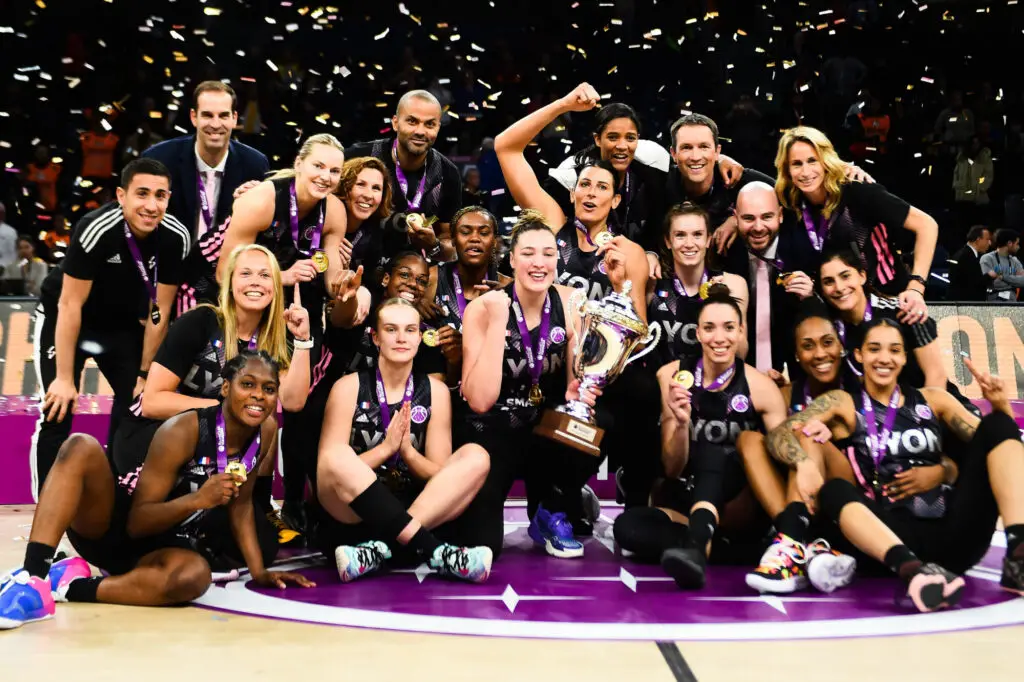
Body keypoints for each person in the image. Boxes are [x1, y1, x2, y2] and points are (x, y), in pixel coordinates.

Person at [0, 351, 312, 630]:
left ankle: (70, 586)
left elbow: (241, 505)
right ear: (226, 388)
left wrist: (259, 572)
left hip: (164, 544)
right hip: (115, 526)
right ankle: (33, 577)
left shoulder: (266, 430)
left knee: (194, 577)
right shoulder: (184, 429)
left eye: (268, 389)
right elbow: (137, 523)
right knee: (80, 446)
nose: (258, 396)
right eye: (248, 385)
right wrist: (198, 500)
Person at [764, 320, 1024, 610]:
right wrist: (803, 463)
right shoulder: (842, 402)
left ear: (904, 357)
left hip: (953, 534)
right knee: (834, 490)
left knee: (998, 423)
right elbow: (781, 434)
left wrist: (1000, 407)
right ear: (859, 355)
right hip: (888, 538)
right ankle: (914, 574)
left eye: (894, 350)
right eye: (875, 349)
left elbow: (1000, 446)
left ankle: (1018, 552)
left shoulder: (934, 400)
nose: (885, 358)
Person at [196, 133, 347, 533]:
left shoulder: (334, 211)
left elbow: (331, 275)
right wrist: (280, 276)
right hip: (238, 302)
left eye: (334, 170)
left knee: (298, 408)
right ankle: (224, 499)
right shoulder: (263, 199)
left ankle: (290, 503)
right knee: (241, 400)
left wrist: (346, 286)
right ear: (299, 164)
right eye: (318, 166)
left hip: (290, 309)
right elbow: (224, 270)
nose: (326, 176)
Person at [32, 158, 192, 499]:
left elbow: (160, 310)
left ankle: (117, 500)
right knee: (58, 408)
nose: (151, 205)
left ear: (169, 198)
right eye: (142, 194)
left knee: (137, 404)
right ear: (121, 196)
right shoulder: (97, 229)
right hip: (67, 316)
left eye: (160, 195)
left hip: (119, 324)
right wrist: (64, 378)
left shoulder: (176, 236)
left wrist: (144, 374)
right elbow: (69, 304)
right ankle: (49, 510)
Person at [613, 285, 788, 588]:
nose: (719, 338)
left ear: (741, 332)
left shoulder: (761, 388)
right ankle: (728, 549)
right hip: (690, 496)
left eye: (729, 328)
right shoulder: (671, 376)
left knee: (713, 451)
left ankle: (698, 547)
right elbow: (672, 468)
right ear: (697, 333)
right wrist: (681, 424)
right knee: (627, 528)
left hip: (738, 503)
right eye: (709, 328)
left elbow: (782, 464)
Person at [112, 245, 310, 512]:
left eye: (265, 275)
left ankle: (259, 505)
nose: (255, 281)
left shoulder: (275, 338)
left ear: (275, 286)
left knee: (266, 422)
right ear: (229, 284)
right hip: (156, 437)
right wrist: (225, 411)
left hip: (212, 445)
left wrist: (302, 340)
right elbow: (152, 402)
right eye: (246, 274)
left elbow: (293, 402)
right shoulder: (200, 321)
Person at [315, 298, 493, 583]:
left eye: (410, 330)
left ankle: (377, 549)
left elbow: (438, 474)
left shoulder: (436, 391)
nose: (401, 338)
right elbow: (328, 471)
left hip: (417, 508)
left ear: (420, 338)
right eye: (391, 329)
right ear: (375, 337)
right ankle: (438, 552)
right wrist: (386, 449)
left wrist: (408, 452)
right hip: (356, 510)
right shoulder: (347, 387)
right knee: (336, 455)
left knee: (476, 455)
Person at [459, 217, 604, 558]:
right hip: (494, 431)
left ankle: (553, 506)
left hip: (543, 434)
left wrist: (579, 389)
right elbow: (479, 400)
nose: (539, 263)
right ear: (511, 259)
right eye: (528, 253)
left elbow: (575, 383)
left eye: (548, 254)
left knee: (601, 421)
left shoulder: (571, 302)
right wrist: (498, 322)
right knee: (484, 543)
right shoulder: (484, 308)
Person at [495, 83, 650, 316]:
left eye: (602, 187)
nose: (591, 192)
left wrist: (620, 289)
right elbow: (506, 147)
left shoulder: (630, 253)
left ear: (615, 200)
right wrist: (563, 104)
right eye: (585, 184)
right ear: (571, 193)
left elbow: (639, 332)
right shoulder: (553, 224)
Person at [741, 300, 857, 594]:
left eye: (827, 342)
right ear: (796, 354)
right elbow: (771, 443)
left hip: (847, 495)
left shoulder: (852, 390)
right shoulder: (785, 393)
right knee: (748, 440)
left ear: (841, 346)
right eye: (808, 346)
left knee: (807, 434)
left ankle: (791, 544)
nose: (819, 354)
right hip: (802, 496)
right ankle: (798, 544)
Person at [775, 126, 938, 317]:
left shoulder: (857, 189)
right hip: (833, 310)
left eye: (813, 161)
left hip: (888, 303)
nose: (805, 172)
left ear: (826, 160)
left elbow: (927, 225)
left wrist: (917, 287)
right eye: (796, 164)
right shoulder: (792, 205)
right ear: (787, 170)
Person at [344, 90, 463, 264]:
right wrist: (333, 238)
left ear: (438, 127)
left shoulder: (447, 174)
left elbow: (451, 247)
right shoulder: (357, 157)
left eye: (430, 124)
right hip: (353, 265)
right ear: (395, 123)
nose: (420, 131)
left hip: (411, 272)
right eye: (412, 121)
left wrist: (434, 245)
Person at [143, 81, 270, 241]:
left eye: (223, 115)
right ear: (193, 117)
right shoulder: (159, 160)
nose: (215, 124)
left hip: (228, 255)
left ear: (234, 118)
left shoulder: (255, 165)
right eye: (207, 115)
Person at [544, 102, 671, 249]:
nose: (622, 146)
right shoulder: (570, 176)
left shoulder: (652, 168)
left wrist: (651, 253)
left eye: (630, 138)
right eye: (613, 137)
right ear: (598, 139)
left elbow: (656, 224)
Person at [819, 248, 946, 390]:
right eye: (828, 282)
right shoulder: (830, 329)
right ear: (822, 290)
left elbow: (936, 377)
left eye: (845, 276)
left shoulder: (905, 311)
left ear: (862, 276)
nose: (839, 287)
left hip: (931, 400)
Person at [730, 182, 819, 380]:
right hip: (740, 375)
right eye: (748, 218)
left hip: (797, 374)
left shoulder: (806, 250)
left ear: (780, 215)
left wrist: (811, 298)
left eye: (767, 217)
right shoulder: (725, 254)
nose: (758, 227)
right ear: (735, 218)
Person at [649, 202, 748, 365]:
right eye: (680, 235)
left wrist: (723, 304)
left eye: (697, 235)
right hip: (663, 378)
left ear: (708, 240)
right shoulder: (653, 284)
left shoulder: (733, 284)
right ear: (668, 241)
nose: (689, 243)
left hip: (713, 379)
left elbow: (740, 355)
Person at [427, 206, 511, 385]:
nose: (474, 238)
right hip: (441, 387)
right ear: (453, 240)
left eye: (484, 233)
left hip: (493, 389)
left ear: (494, 241)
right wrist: (414, 307)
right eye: (465, 232)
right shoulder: (430, 280)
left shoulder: (509, 288)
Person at [946, 225, 992, 302]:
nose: (989, 243)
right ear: (978, 240)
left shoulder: (972, 255)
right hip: (964, 303)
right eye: (987, 239)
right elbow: (973, 282)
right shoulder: (965, 256)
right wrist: (991, 275)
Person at [979, 228, 1024, 301]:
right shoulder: (987, 258)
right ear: (1009, 243)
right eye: (1017, 244)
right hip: (993, 303)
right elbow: (993, 282)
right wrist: (1013, 280)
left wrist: (1002, 277)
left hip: (1012, 303)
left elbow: (1022, 281)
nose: (1018, 247)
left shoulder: (1015, 261)